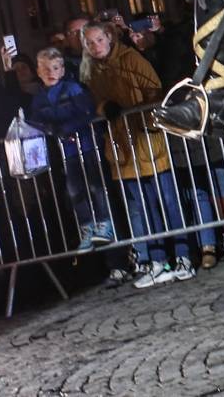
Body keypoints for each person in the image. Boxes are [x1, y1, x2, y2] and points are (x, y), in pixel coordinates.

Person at [86, 23, 198, 286]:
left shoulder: (131, 59)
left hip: (146, 139)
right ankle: (158, 260)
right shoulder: (94, 71)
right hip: (123, 147)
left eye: (99, 39)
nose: (95, 46)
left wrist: (134, 109)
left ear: (109, 38)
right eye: (90, 43)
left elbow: (154, 89)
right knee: (144, 208)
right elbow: (95, 101)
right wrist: (105, 107)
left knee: (168, 201)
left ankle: (183, 255)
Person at [28, 48, 114, 247]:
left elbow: (88, 112)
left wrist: (65, 128)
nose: (50, 72)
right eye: (45, 68)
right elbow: (35, 120)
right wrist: (48, 128)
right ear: (38, 71)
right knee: (74, 190)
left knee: (96, 186)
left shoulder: (72, 89)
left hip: (87, 145)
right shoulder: (39, 98)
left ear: (62, 70)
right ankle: (86, 227)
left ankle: (104, 223)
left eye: (55, 68)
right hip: (67, 151)